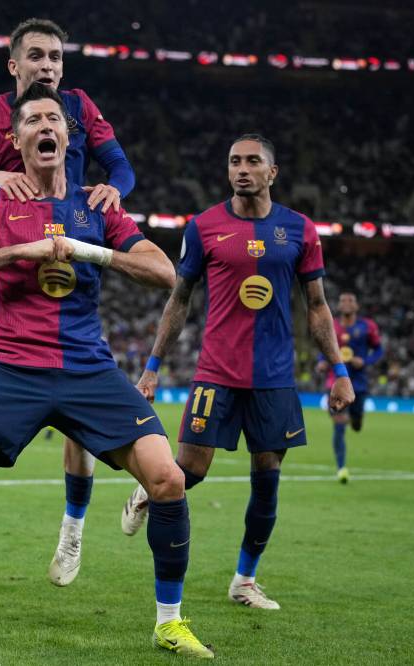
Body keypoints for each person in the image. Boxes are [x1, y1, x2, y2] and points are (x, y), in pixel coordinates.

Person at [0, 83, 212, 658]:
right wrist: (17, 254)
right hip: (9, 363)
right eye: (33, 120)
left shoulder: (97, 205)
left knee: (168, 479)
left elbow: (163, 271)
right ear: (17, 140)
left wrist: (87, 249)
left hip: (86, 368)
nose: (46, 125)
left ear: (68, 137)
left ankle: (169, 621)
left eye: (55, 119)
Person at [121, 133, 355, 611]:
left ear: (272, 172)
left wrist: (339, 369)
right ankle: (148, 490)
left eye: (252, 161)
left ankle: (244, 580)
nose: (241, 169)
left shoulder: (300, 230)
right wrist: (152, 367)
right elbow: (179, 300)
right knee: (192, 470)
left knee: (267, 478)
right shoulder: (204, 227)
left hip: (274, 378)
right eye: (234, 161)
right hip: (216, 373)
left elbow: (318, 306)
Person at [0, 17, 137, 584]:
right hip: (17, 250)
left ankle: (72, 532)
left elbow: (121, 165)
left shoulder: (80, 105)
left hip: (75, 250)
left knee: (78, 411)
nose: (47, 66)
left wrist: (113, 190)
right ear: (14, 66)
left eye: (55, 56)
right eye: (36, 56)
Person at [317, 291, 383, 483]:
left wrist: (366, 360)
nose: (346, 303)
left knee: (355, 425)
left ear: (356, 306)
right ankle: (341, 468)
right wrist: (321, 361)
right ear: (338, 305)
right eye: (342, 300)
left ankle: (355, 418)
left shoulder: (367, 326)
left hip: (359, 384)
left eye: (350, 300)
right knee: (339, 423)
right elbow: (325, 347)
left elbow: (379, 349)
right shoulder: (331, 325)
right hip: (335, 381)